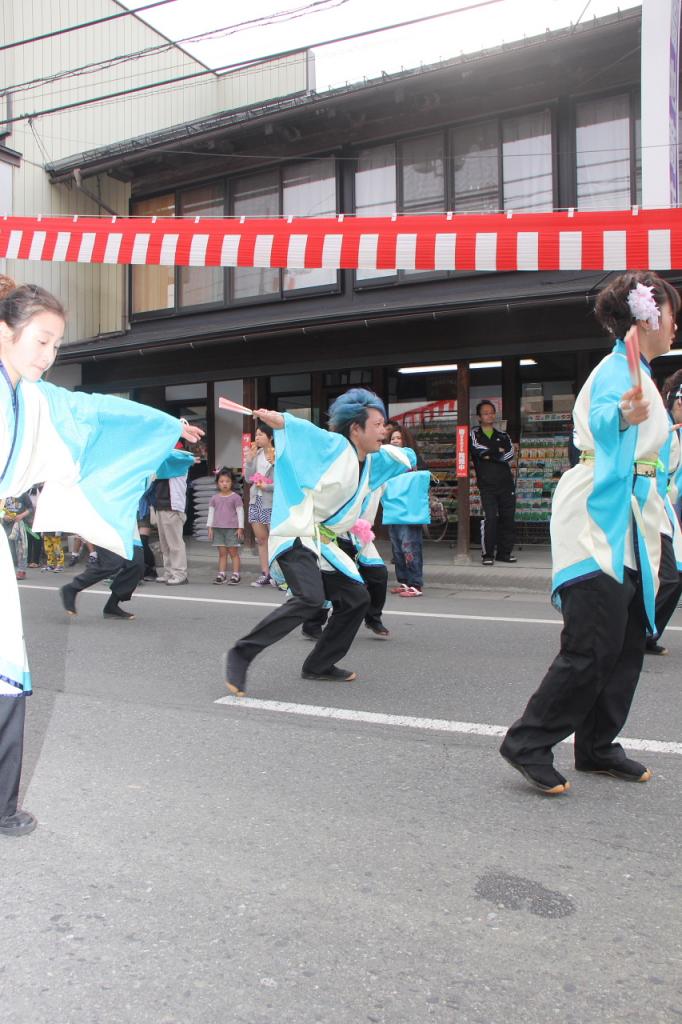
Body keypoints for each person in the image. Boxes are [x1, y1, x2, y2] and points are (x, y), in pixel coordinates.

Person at [0, 275, 203, 837]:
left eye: (56, 345)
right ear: (4, 333)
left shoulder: (37, 399)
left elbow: (96, 415)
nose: (49, 354)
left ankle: (1, 805)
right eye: (40, 340)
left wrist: (165, 429)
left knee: (6, 666)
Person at [500, 270, 680, 796]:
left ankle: (598, 745)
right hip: (598, 515)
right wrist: (623, 416)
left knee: (625, 641)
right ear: (648, 316)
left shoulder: (641, 371)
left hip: (629, 518)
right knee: (592, 642)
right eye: (670, 313)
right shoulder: (616, 369)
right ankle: (528, 741)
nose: (675, 325)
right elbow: (605, 416)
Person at [224, 388, 415, 696]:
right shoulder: (336, 445)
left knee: (356, 598)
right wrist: (282, 420)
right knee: (310, 599)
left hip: (322, 542)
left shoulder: (368, 460)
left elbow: (403, 456)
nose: (385, 430)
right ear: (355, 429)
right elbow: (308, 433)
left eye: (385, 425)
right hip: (296, 530)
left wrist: (402, 452)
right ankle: (241, 652)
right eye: (378, 424)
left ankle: (319, 664)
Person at [645, 369, 682, 655]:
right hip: (647, 508)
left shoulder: (674, 430)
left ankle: (646, 634)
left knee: (672, 577)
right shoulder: (661, 427)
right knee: (669, 577)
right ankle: (642, 633)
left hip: (664, 510)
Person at [470, 400, 516, 565]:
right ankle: (487, 554)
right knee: (490, 518)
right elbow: (478, 451)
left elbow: (510, 454)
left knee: (508, 518)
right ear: (479, 417)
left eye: (491, 412)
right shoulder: (474, 435)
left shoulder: (503, 435)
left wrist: (491, 455)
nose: (489, 415)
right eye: (485, 413)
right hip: (487, 485)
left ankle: (504, 553)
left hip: (506, 484)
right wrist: (497, 452)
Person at [386, 424, 427, 597]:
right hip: (394, 510)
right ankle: (404, 581)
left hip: (409, 511)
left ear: (406, 441)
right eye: (392, 438)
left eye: (398, 438)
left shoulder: (412, 459)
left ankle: (416, 584)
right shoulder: (389, 460)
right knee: (397, 548)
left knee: (410, 546)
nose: (395, 441)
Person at [59, 545, 145, 620]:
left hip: (130, 533)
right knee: (111, 562)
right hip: (110, 530)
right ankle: (72, 588)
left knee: (136, 564)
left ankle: (112, 606)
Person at [150, 442, 190, 586]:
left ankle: (180, 573)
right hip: (161, 505)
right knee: (165, 544)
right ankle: (169, 572)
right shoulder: (164, 464)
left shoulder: (179, 461)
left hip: (173, 507)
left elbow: (169, 456)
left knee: (175, 543)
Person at [244, 422, 275, 587]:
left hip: (272, 501)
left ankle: (280, 575)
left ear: (270, 437)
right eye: (256, 434)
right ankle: (266, 573)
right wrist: (249, 460)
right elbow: (249, 479)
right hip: (256, 500)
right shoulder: (256, 454)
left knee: (275, 539)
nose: (257, 437)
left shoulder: (278, 455)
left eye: (261, 434)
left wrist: (267, 486)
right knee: (261, 539)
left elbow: (283, 483)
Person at [208, 467, 244, 584]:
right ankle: (222, 574)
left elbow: (240, 513)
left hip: (232, 529)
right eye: (222, 481)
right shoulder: (214, 498)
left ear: (232, 482)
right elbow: (211, 513)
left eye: (227, 481)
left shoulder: (236, 498)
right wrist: (210, 527)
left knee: (233, 553)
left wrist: (240, 528)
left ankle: (236, 574)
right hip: (218, 529)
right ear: (217, 483)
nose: (224, 484)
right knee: (222, 553)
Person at [1, 493, 30, 579]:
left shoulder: (23, 492)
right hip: (7, 525)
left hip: (20, 524)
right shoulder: (4, 492)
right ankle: (10, 571)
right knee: (10, 550)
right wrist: (4, 516)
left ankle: (21, 571)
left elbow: (31, 508)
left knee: (21, 548)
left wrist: (21, 516)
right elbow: (0, 508)